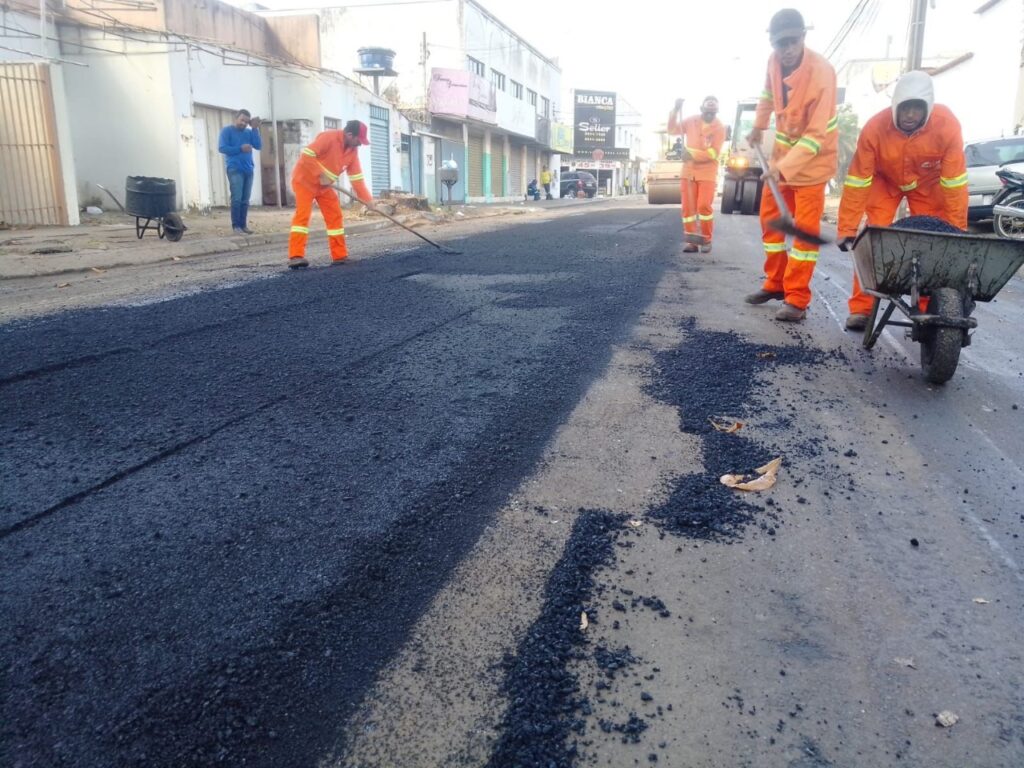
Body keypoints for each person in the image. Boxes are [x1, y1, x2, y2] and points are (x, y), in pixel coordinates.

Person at [837, 71, 968, 330]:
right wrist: (847, 228)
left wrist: (957, 232)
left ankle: (929, 309)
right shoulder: (875, 128)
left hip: (927, 183)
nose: (910, 115)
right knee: (875, 238)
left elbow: (954, 184)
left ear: (928, 108)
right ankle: (862, 308)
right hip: (884, 180)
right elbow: (858, 181)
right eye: (905, 108)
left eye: (917, 109)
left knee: (934, 241)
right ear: (895, 106)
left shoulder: (947, 125)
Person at [743, 8, 838, 322]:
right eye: (780, 43)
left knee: (803, 236)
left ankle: (796, 299)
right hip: (782, 157)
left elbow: (816, 135)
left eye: (792, 41)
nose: (786, 49)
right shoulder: (773, 62)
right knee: (771, 221)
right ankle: (775, 283)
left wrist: (783, 169)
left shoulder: (822, 74)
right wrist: (759, 125)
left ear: (803, 37)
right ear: (772, 43)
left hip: (813, 162)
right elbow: (767, 94)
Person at [287, 120, 373, 269]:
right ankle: (296, 256)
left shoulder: (352, 152)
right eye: (359, 140)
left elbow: (356, 178)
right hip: (304, 181)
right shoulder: (329, 138)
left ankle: (339, 256)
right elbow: (307, 154)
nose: (360, 144)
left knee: (335, 215)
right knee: (303, 214)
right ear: (350, 135)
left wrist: (368, 200)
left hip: (324, 187)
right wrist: (320, 173)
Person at [668, 96, 726, 253]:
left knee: (703, 206)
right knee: (688, 210)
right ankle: (692, 242)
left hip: (707, 173)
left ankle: (706, 240)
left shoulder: (719, 128)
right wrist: (675, 110)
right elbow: (672, 130)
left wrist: (692, 154)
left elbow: (714, 153)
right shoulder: (691, 121)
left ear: (716, 112)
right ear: (702, 109)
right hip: (688, 172)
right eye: (708, 110)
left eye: (713, 111)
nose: (710, 113)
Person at [218, 109, 262, 235]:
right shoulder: (227, 131)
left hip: (248, 169)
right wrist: (240, 149)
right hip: (234, 169)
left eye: (246, 122)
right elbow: (222, 148)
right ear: (236, 118)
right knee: (237, 198)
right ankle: (236, 226)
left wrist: (254, 128)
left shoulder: (249, 132)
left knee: (245, 199)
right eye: (242, 120)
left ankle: (243, 226)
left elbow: (258, 145)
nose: (243, 123)